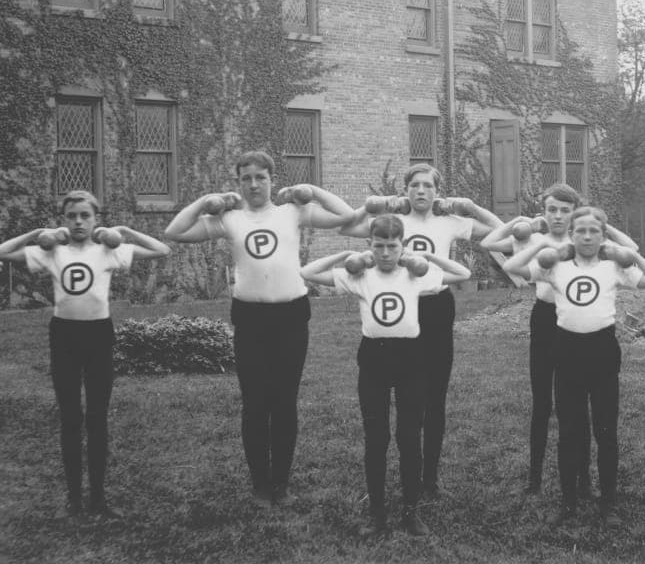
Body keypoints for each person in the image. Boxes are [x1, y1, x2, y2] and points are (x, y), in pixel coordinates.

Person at [164, 151, 355, 508]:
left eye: (260, 177)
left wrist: (310, 189)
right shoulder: (230, 219)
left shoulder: (292, 212)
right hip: (250, 319)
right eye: (246, 178)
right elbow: (174, 231)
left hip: (291, 318)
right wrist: (204, 202)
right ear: (238, 183)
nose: (253, 184)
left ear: (272, 179)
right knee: (255, 403)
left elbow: (347, 215)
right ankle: (259, 485)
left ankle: (281, 484)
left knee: (284, 402)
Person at [0, 190, 170, 518]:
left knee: (97, 417)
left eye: (85, 216)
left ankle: (98, 499)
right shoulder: (53, 252)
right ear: (63, 220)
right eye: (71, 216)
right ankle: (74, 498)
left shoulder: (107, 250)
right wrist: (38, 235)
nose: (78, 222)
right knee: (71, 418)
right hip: (65, 336)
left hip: (99, 335)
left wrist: (124, 232)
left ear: (95, 219)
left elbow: (162, 249)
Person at [302, 214, 470, 537]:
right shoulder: (362, 276)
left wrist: (425, 258)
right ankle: (377, 515)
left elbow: (463, 272)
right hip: (374, 361)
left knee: (409, 437)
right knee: (376, 438)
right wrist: (347, 258)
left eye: (392, 246)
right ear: (370, 246)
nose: (385, 253)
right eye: (378, 246)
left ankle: (411, 512)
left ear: (402, 246)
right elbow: (307, 272)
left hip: (412, 360)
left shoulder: (416, 277)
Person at [341, 163, 499, 500]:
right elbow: (346, 227)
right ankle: (383, 482)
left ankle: (428, 479)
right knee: (392, 399)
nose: (421, 191)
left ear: (437, 191)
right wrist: (378, 203)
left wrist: (470, 207)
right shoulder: (394, 223)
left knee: (434, 398)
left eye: (428, 185)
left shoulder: (448, 221)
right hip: (397, 310)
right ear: (406, 190)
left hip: (435, 307)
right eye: (415, 185)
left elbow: (500, 232)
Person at [503, 205, 645, 530]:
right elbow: (512, 265)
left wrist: (628, 254)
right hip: (567, 352)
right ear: (571, 235)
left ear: (603, 236)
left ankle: (608, 504)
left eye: (594, 231)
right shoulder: (556, 267)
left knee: (606, 432)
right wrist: (545, 246)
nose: (588, 236)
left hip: (603, 351)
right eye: (581, 231)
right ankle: (568, 503)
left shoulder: (611, 267)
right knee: (569, 431)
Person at [482, 183, 639, 496]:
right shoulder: (535, 238)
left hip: (576, 324)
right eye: (551, 209)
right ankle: (535, 477)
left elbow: (629, 248)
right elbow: (490, 242)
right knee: (543, 402)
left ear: (575, 214)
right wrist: (522, 222)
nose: (557, 216)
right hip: (545, 319)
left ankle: (583, 479)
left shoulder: (581, 239)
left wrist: (603, 225)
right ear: (543, 212)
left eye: (565, 210)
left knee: (578, 407)